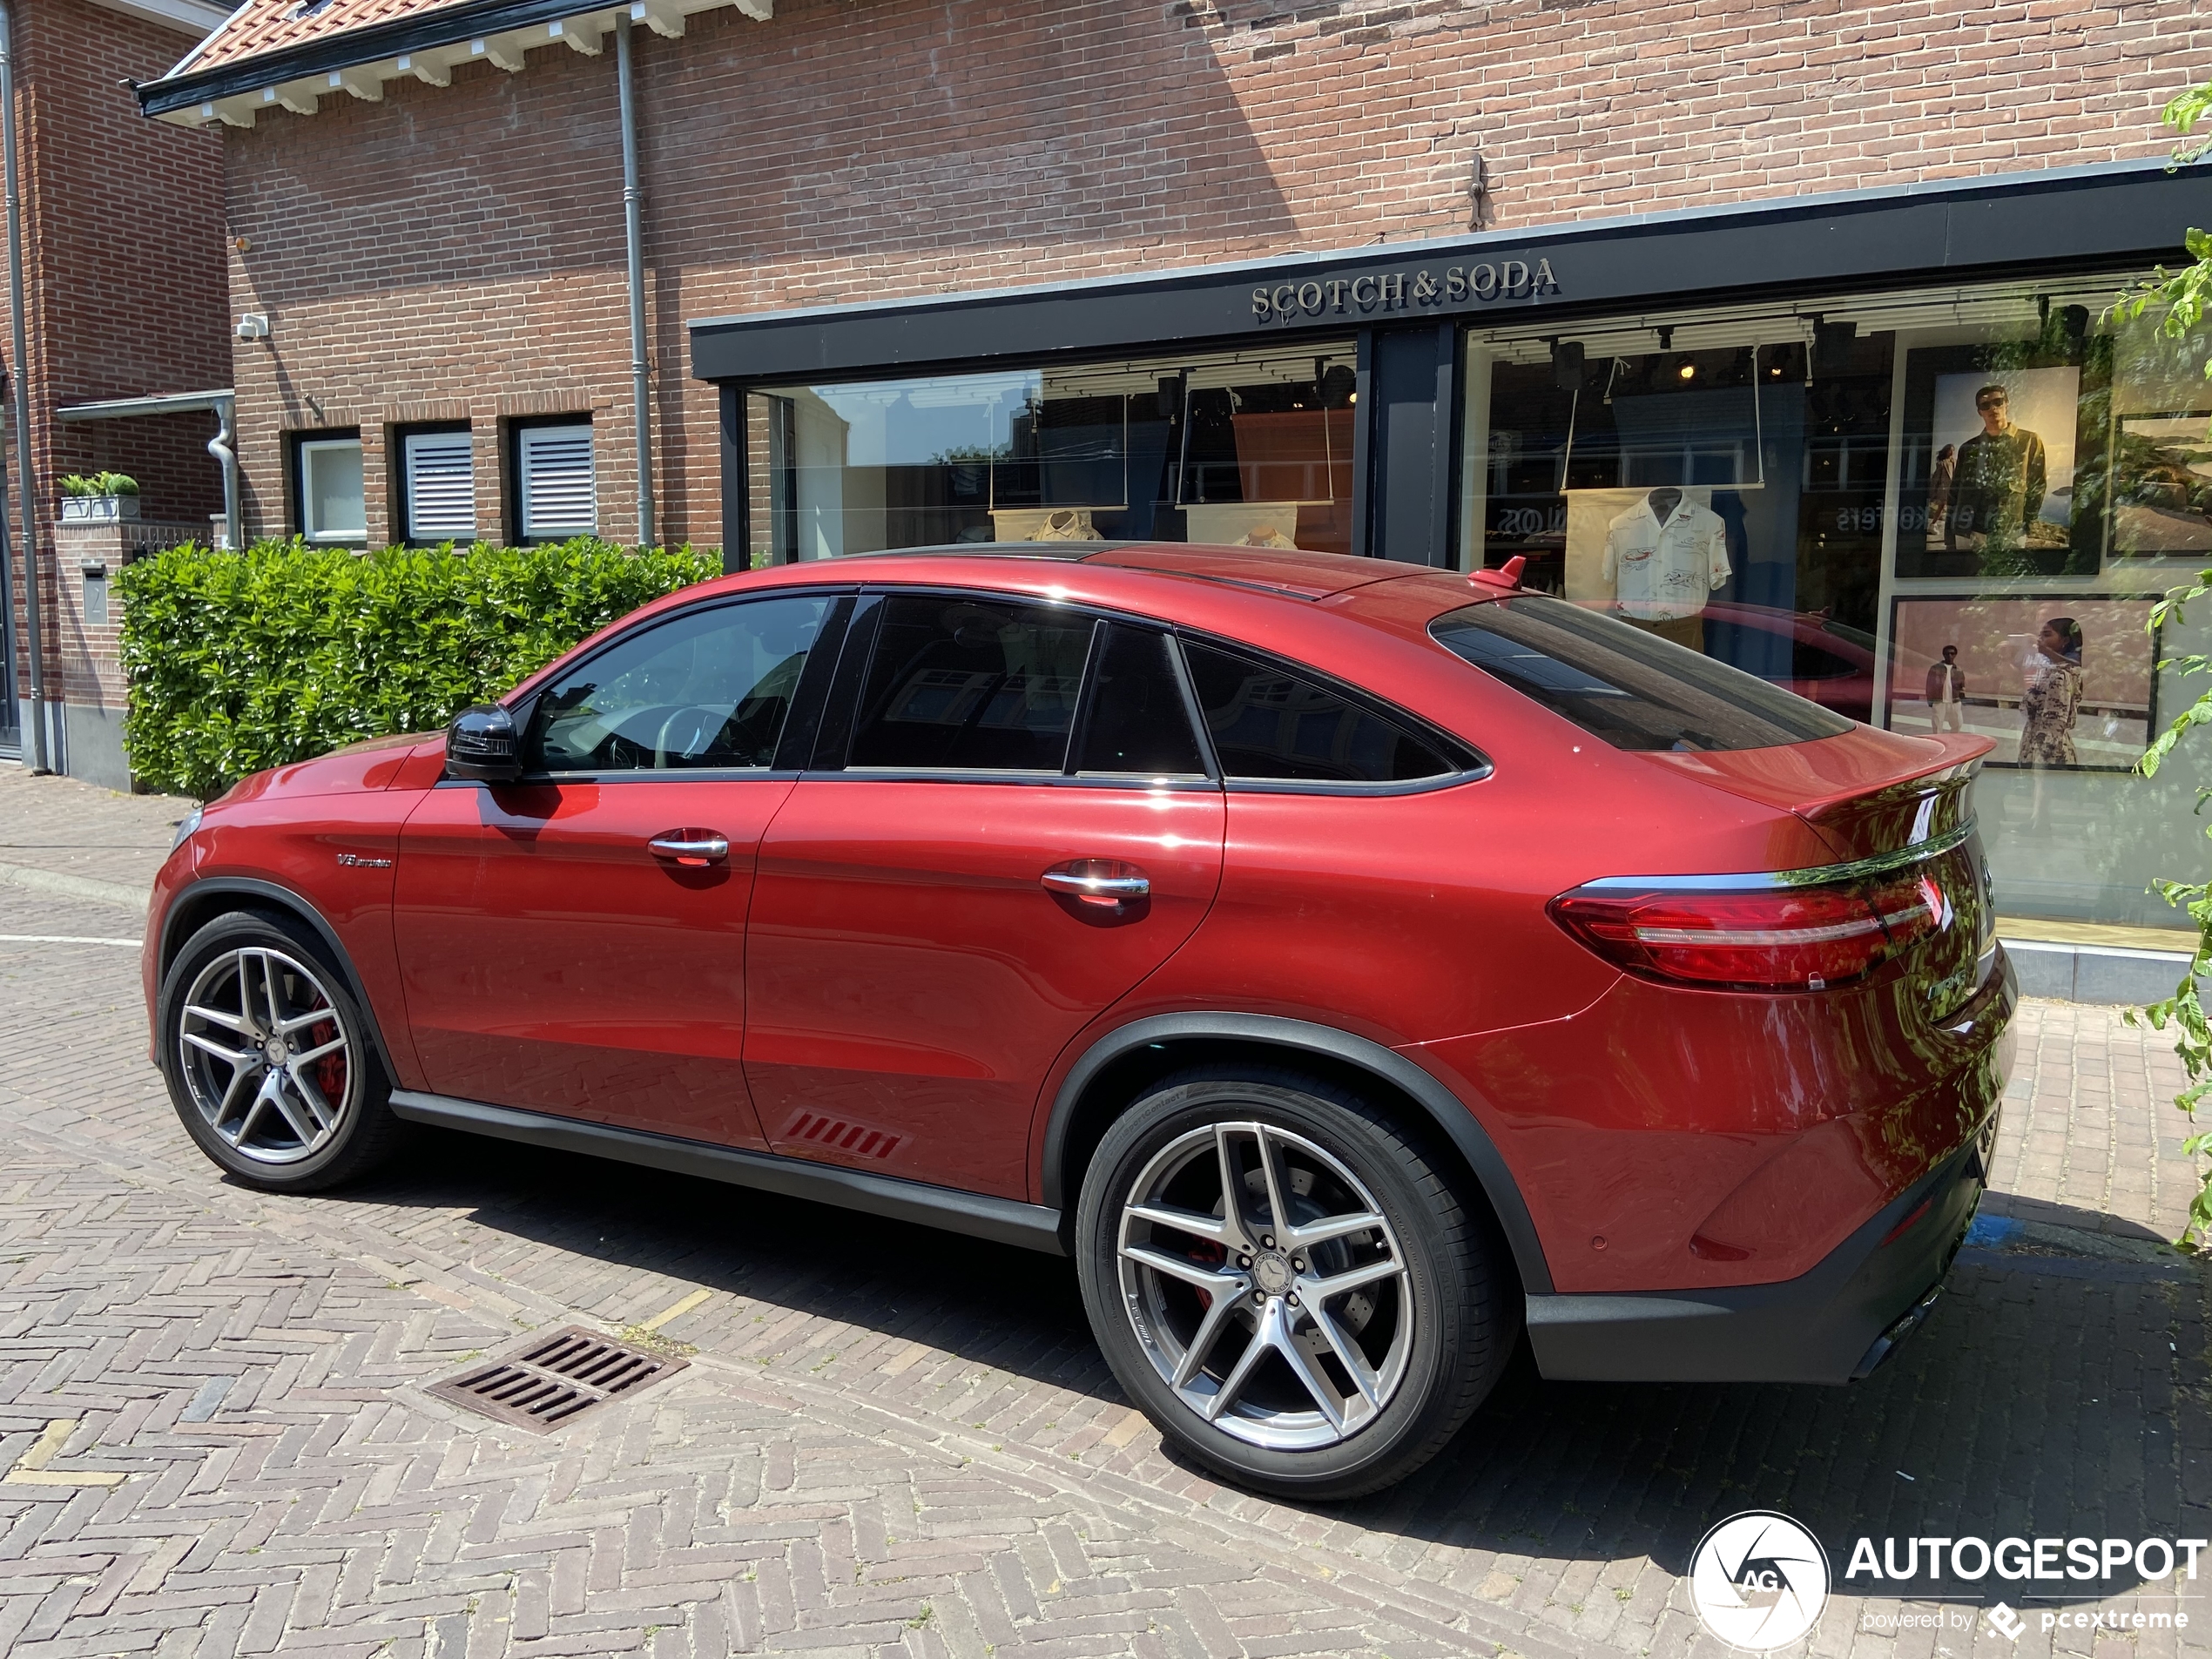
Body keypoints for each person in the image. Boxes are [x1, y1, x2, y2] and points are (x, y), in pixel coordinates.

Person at [1947, 384, 2047, 572]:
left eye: (1997, 402)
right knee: (1967, 587)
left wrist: (2025, 524)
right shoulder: (1968, 448)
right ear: (1979, 412)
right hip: (1969, 532)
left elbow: (2038, 486)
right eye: (1985, 405)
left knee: (2006, 589)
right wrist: (1950, 535)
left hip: (2010, 533)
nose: (1992, 408)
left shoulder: (2029, 441)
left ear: (2006, 404)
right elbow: (1955, 491)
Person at [2019, 616, 2083, 768]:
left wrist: (2040, 765)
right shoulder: (2050, 670)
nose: (2040, 640)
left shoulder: (2059, 675)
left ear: (2065, 641)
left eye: (2047, 635)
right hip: (2036, 748)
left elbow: (2053, 726)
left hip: (2048, 757)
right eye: (2040, 635)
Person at [1925, 644, 1966, 732]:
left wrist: (1962, 698)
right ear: (1944, 655)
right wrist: (1930, 700)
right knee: (1937, 725)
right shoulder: (1935, 668)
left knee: (1958, 723)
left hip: (1954, 701)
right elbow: (1929, 685)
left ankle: (1952, 740)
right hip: (1939, 700)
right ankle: (1938, 743)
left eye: (1952, 654)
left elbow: (1962, 685)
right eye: (1947, 654)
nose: (1950, 656)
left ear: (1955, 655)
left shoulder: (1958, 670)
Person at [1926, 443, 1956, 542]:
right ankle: (1933, 524)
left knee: (1950, 508)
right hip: (1943, 489)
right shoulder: (1942, 463)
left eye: (1953, 450)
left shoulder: (1954, 462)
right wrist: (1933, 492)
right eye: (1950, 450)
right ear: (1946, 451)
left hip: (1952, 489)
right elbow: (1936, 478)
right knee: (1941, 507)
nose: (1951, 452)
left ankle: (1950, 528)